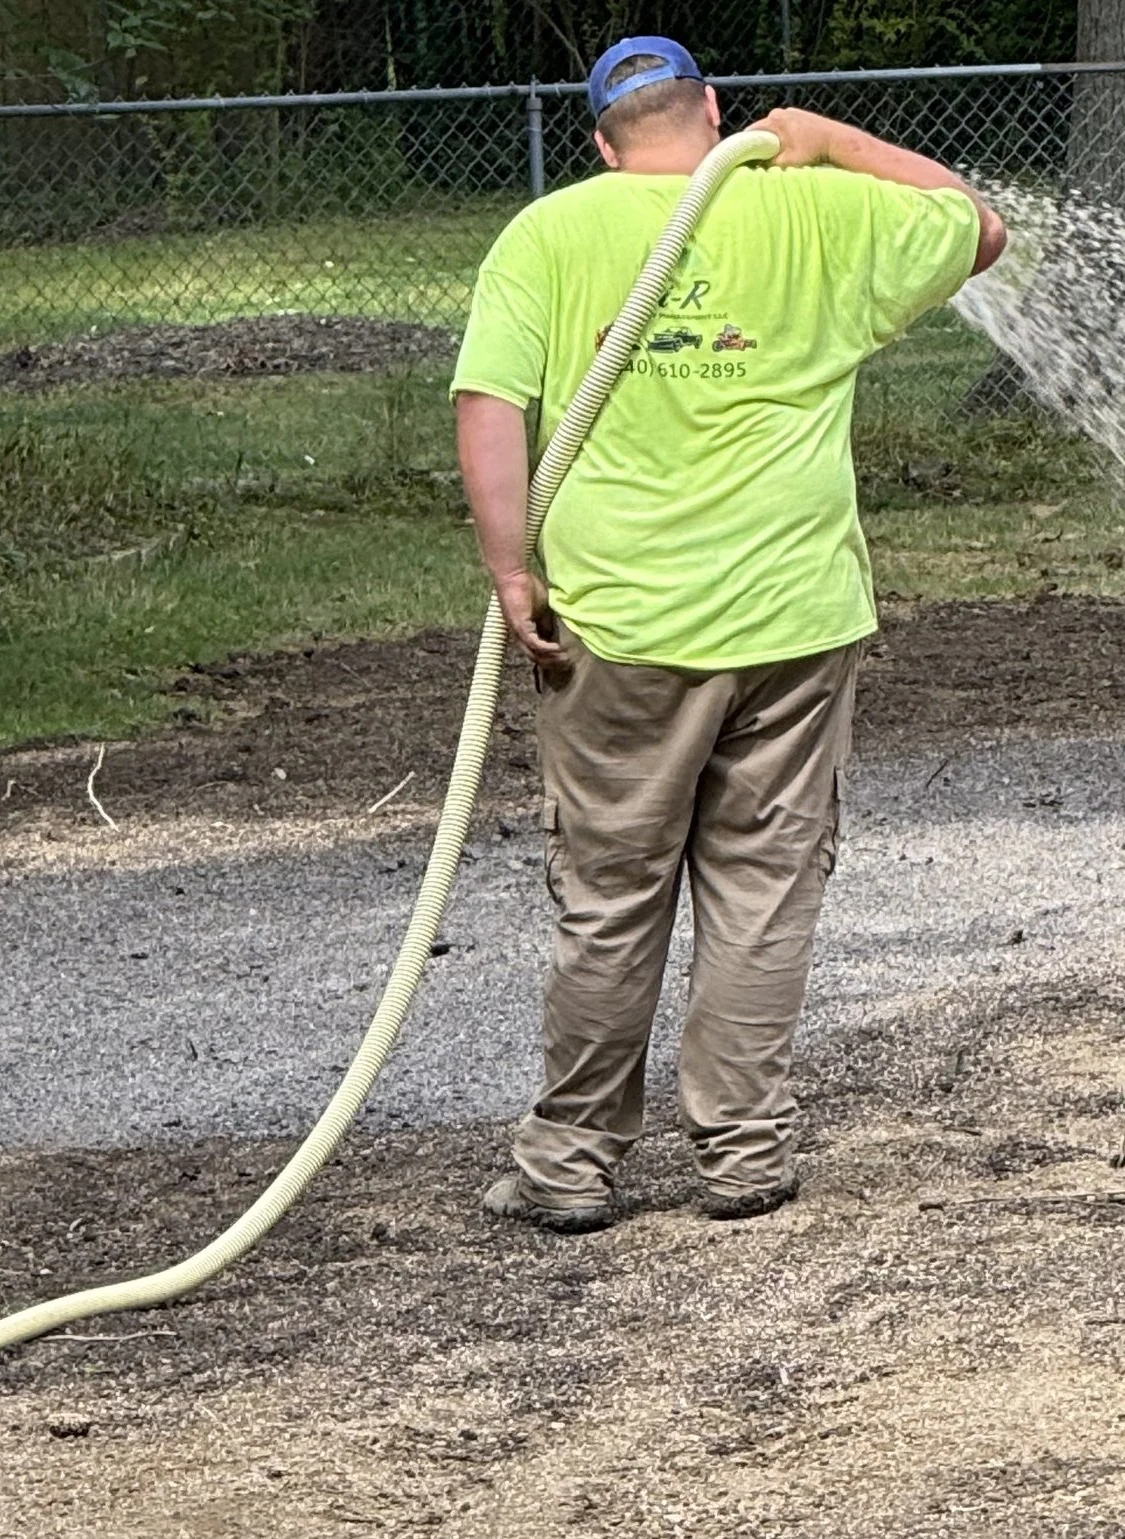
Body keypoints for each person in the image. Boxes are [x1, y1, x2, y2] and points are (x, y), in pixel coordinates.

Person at [453, 38, 1006, 1233]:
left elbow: (488, 402)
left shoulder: (549, 234)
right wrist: (830, 138)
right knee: (760, 891)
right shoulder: (813, 211)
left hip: (617, 625)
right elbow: (977, 222)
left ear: (604, 142)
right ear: (711, 115)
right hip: (792, 620)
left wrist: (511, 570)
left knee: (608, 893)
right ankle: (741, 1157)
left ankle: (568, 1170)